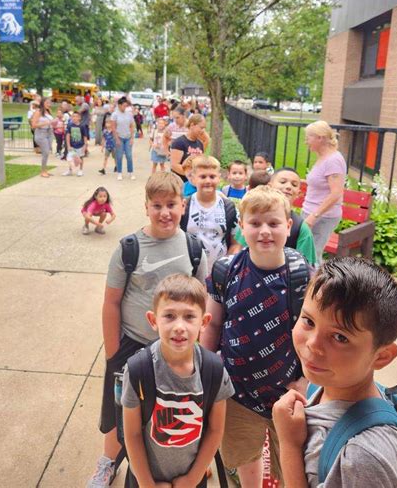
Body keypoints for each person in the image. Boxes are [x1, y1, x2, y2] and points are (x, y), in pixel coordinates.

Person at [87, 172, 208, 488]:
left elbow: (201, 302)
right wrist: (114, 352)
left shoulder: (194, 250)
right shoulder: (129, 248)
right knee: (118, 409)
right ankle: (108, 462)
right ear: (146, 207)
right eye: (157, 205)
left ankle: (169, 460)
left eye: (171, 204)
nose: (165, 212)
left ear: (183, 205)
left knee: (167, 410)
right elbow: (111, 302)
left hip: (176, 348)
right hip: (132, 342)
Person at [201, 186, 311, 487]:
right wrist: (207, 371)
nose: (264, 231)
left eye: (273, 223)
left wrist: (304, 380)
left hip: (288, 391)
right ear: (241, 228)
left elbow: (313, 333)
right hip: (236, 391)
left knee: (290, 464)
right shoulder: (226, 270)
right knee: (246, 459)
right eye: (255, 223)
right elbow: (212, 325)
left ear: (288, 227)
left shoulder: (301, 274)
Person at [272, 257, 397, 488]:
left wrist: (289, 445)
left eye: (340, 337)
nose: (313, 344)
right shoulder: (323, 384)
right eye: (308, 321)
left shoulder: (364, 458)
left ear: (381, 356)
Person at [122, 274, 235, 487]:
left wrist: (193, 478)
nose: (179, 326)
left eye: (189, 317)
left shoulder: (214, 371)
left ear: (204, 322)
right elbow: (133, 434)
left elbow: (215, 430)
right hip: (146, 477)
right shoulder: (138, 370)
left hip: (192, 478)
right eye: (170, 316)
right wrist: (147, 483)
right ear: (153, 320)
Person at [180, 155, 240, 268]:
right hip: (190, 271)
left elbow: (236, 244)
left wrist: (226, 266)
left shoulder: (229, 207)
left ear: (219, 178)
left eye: (212, 176)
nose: (208, 181)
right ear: (193, 178)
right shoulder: (184, 207)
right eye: (202, 177)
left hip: (219, 273)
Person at [302, 121, 346, 264]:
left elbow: (336, 193)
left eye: (308, 137)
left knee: (312, 256)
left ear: (320, 138)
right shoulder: (324, 157)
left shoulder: (333, 160)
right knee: (304, 253)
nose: (306, 141)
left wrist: (314, 216)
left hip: (322, 216)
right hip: (311, 213)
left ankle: (317, 285)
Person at [269, 167, 317, 266]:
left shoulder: (301, 229)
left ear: (298, 193)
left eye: (294, 185)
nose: (288, 187)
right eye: (282, 182)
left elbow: (307, 267)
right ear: (269, 186)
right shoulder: (253, 217)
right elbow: (238, 248)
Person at [170, 114, 207, 181]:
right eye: (201, 128)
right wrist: (191, 176)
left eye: (204, 128)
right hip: (180, 182)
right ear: (192, 125)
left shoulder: (200, 143)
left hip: (194, 183)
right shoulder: (179, 142)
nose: (203, 130)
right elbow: (174, 165)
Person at [111, 96, 136, 181]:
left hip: (128, 137)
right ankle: (119, 172)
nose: (125, 107)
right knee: (119, 156)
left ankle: (130, 172)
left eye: (126, 106)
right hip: (119, 137)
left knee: (129, 155)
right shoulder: (115, 115)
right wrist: (116, 139)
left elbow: (132, 126)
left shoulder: (129, 114)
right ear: (119, 105)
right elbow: (113, 127)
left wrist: (132, 138)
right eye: (124, 105)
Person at [31, 97, 54, 178]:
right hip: (41, 134)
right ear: (43, 103)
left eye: (50, 103)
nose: (49, 104)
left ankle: (45, 170)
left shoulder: (49, 111)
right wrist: (45, 123)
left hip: (49, 133)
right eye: (47, 103)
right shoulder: (38, 112)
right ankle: (42, 171)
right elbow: (33, 125)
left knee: (47, 153)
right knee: (46, 152)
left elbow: (51, 122)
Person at [63, 111, 88, 177]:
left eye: (76, 116)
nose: (74, 118)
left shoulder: (82, 126)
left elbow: (85, 136)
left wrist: (85, 145)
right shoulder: (69, 125)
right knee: (71, 158)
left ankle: (80, 170)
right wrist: (68, 145)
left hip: (80, 145)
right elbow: (68, 135)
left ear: (79, 118)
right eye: (73, 116)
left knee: (81, 157)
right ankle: (70, 170)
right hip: (72, 145)